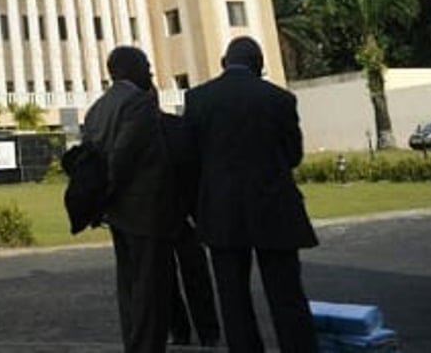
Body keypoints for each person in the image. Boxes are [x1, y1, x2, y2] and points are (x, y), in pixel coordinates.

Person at [185, 36, 319, 353]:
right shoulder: (279, 99)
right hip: (274, 207)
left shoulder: (199, 99)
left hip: (221, 212)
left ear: (224, 61)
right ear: (259, 65)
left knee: (233, 298)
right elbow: (293, 155)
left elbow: (191, 158)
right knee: (286, 295)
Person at [82, 46, 178, 352]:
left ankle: (135, 343)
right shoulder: (139, 103)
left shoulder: (97, 109)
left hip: (116, 212)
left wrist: (103, 201)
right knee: (151, 286)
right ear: (127, 69)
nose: (150, 72)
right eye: (146, 65)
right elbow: (123, 156)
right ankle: (147, 345)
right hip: (144, 209)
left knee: (129, 284)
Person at [160, 110, 220, 347]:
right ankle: (206, 332)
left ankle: (184, 331)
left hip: (164, 216)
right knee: (193, 277)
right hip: (182, 214)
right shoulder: (178, 126)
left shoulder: (140, 129)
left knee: (171, 280)